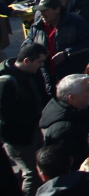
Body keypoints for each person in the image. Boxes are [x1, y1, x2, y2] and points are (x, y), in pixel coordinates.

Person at [0, 43, 51, 195]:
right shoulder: (6, 81)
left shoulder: (33, 73)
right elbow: (6, 117)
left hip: (33, 129)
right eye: (39, 62)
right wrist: (34, 118)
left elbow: (42, 95)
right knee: (32, 174)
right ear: (26, 61)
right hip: (18, 138)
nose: (42, 66)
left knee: (41, 169)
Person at [24, 0, 89, 85]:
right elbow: (26, 45)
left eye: (45, 10)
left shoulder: (75, 22)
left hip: (71, 76)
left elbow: (88, 42)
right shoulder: (37, 27)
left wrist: (66, 53)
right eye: (40, 11)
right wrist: (37, 51)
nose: (42, 14)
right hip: (46, 77)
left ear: (57, 10)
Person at [40, 73, 89, 172]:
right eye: (87, 90)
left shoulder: (82, 111)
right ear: (72, 98)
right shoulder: (63, 130)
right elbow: (73, 165)